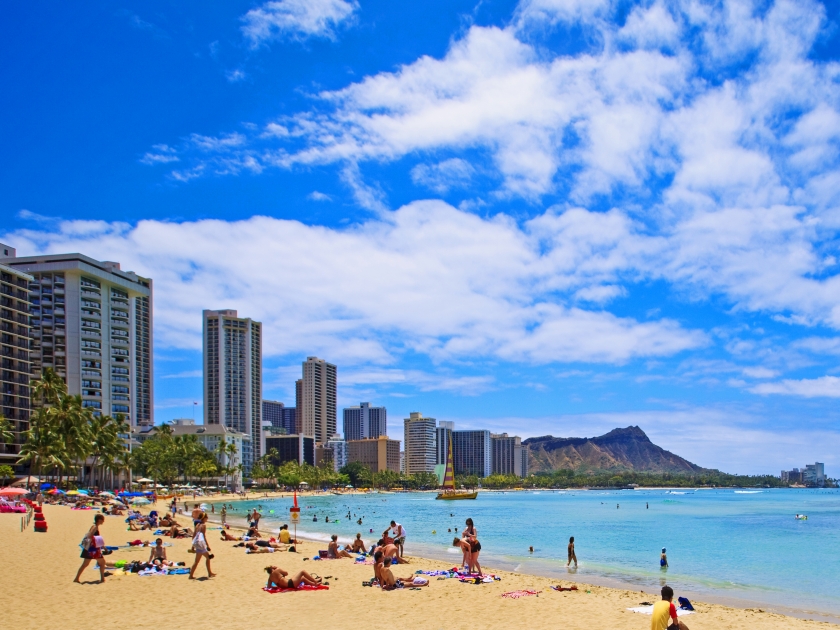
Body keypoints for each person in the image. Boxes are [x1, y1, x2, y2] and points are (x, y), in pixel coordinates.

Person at [74, 514, 108, 583]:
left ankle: (76, 578)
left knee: (85, 564)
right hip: (93, 549)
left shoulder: (95, 526)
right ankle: (102, 579)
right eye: (102, 520)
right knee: (102, 563)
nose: (103, 521)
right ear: (99, 520)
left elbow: (97, 539)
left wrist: (103, 547)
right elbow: (90, 535)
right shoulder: (94, 527)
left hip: (91, 549)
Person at [189, 513, 216, 579]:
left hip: (197, 544)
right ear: (204, 518)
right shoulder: (203, 525)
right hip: (201, 544)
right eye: (206, 517)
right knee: (204, 559)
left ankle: (209, 573)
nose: (207, 518)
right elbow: (204, 536)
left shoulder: (197, 525)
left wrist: (192, 546)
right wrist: (207, 545)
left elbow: (194, 536)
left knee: (202, 559)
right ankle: (209, 573)